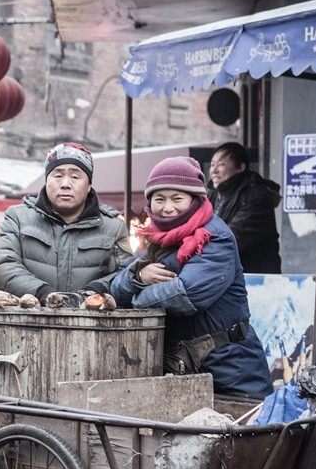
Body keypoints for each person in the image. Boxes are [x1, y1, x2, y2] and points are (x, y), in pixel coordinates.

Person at [111, 156, 272, 400]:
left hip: (230, 372)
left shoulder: (216, 238)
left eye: (177, 199)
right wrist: (138, 275)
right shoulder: (157, 240)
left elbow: (185, 295)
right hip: (180, 371)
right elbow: (116, 284)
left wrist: (134, 301)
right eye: (159, 199)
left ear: (195, 200)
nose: (167, 208)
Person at [0, 142, 130, 301]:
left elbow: (125, 274)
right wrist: (42, 293)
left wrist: (94, 292)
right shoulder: (17, 218)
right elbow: (3, 265)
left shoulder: (114, 227)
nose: (65, 184)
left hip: (91, 322)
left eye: (75, 177)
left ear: (89, 185)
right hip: (28, 320)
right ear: (46, 180)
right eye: (57, 175)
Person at [207, 141, 282, 273]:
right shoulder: (212, 195)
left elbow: (231, 239)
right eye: (212, 165)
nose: (214, 170)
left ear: (240, 168)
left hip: (255, 279)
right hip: (224, 275)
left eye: (221, 164)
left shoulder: (256, 197)